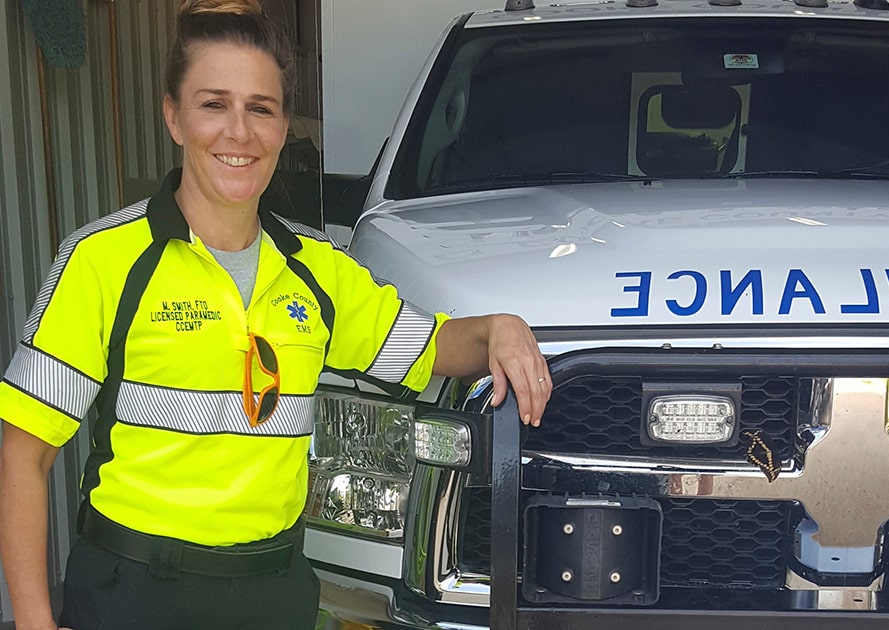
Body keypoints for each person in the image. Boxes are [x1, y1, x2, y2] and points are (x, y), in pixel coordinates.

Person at [0, 1, 551, 628]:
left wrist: (497, 330)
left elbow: (434, 349)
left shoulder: (318, 272)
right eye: (213, 104)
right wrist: (35, 622)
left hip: (274, 592)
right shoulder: (103, 261)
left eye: (260, 108)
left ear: (285, 126)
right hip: (135, 594)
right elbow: (25, 456)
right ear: (172, 117)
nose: (238, 132)